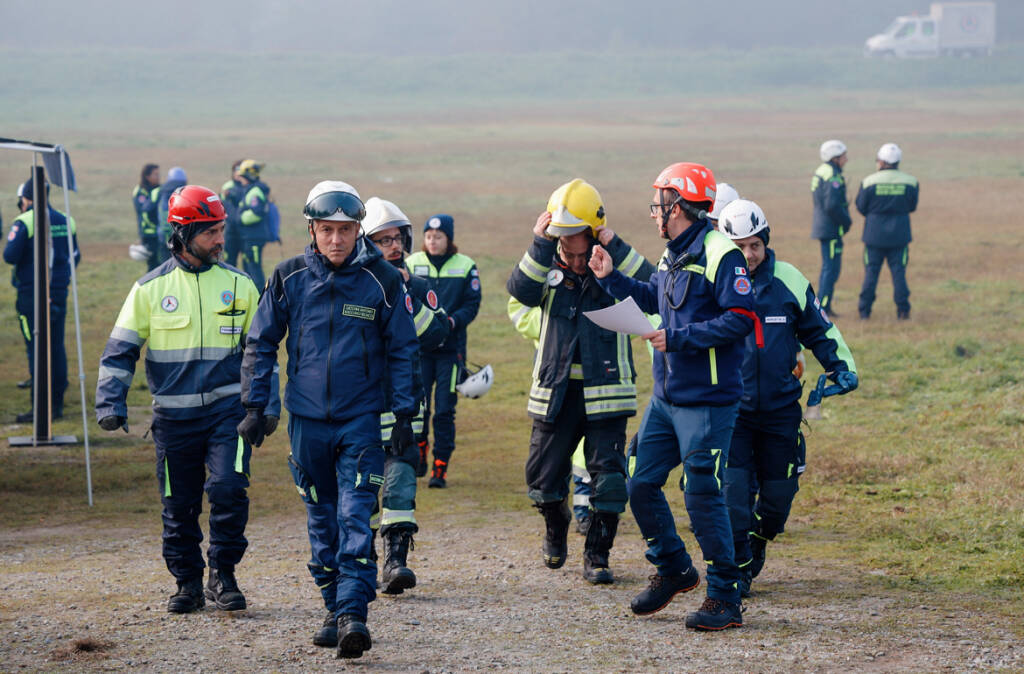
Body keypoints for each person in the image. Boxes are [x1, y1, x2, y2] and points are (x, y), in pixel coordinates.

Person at [240, 180, 420, 659]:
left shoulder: (383, 280)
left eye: (345, 230)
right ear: (312, 230)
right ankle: (332, 608)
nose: (336, 240)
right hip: (305, 424)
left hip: (360, 422)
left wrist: (405, 413)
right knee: (322, 523)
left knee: (354, 516)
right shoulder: (288, 277)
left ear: (358, 229)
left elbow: (403, 349)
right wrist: (256, 406)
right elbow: (260, 342)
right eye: (326, 230)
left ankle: (352, 616)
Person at [589, 162, 758, 631]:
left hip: (708, 400)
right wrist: (610, 278)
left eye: (660, 203)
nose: (654, 212)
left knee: (703, 493)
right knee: (640, 482)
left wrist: (680, 338)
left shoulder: (723, 254)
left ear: (679, 206)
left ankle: (725, 597)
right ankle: (675, 570)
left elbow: (741, 318)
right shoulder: (673, 252)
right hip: (667, 398)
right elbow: (655, 299)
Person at [95, 185, 275, 614]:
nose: (220, 240)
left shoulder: (240, 284)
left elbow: (262, 353)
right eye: (211, 232)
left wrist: (265, 405)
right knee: (179, 505)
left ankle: (223, 574)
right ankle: (187, 584)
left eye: (221, 230)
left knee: (229, 489)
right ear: (183, 233)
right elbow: (120, 350)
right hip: (173, 420)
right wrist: (109, 403)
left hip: (228, 415)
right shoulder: (148, 289)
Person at [507, 179, 654, 584]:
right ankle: (556, 526)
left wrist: (617, 247)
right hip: (556, 391)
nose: (568, 245)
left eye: (575, 235)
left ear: (593, 232)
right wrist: (538, 245)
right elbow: (519, 291)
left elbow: (656, 289)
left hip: (607, 391)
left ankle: (597, 556)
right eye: (561, 236)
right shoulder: (545, 267)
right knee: (542, 482)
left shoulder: (613, 265)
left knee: (608, 483)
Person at [715, 198, 858, 596]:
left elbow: (819, 330)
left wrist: (840, 366)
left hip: (781, 412)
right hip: (734, 412)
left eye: (754, 245)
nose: (748, 255)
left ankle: (760, 540)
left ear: (765, 242)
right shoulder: (715, 285)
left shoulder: (790, 280)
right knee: (735, 497)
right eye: (739, 248)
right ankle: (739, 569)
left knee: (777, 502)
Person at [361, 196, 450, 601]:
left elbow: (435, 335)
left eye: (397, 238)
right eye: (383, 241)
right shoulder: (353, 288)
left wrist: (405, 296)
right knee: (360, 490)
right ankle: (358, 566)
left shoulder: (416, 287)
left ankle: (395, 561)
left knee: (398, 484)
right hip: (359, 407)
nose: (394, 247)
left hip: (403, 406)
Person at [405, 213, 481, 488]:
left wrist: (451, 321)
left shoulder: (465, 266)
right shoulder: (411, 264)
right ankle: (420, 453)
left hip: (451, 352)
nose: (433, 241)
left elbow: (472, 304)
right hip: (421, 352)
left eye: (438, 237)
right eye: (428, 236)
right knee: (419, 408)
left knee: (445, 412)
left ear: (448, 239)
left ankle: (440, 467)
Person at [4, 175, 81, 422]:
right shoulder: (66, 221)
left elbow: (9, 256)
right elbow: (75, 256)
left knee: (35, 349)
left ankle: (39, 408)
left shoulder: (24, 221)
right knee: (56, 347)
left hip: (32, 295)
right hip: (59, 291)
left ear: (26, 198)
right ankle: (56, 405)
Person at [856, 142, 919, 320]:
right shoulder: (911, 182)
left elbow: (861, 207)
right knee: (899, 273)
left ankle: (864, 311)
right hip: (900, 237)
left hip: (873, 237)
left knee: (871, 273)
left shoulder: (868, 182)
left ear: (882, 162)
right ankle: (903, 311)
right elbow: (912, 206)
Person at [811, 140, 852, 317]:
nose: (846, 160)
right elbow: (832, 205)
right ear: (834, 157)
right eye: (843, 156)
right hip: (830, 229)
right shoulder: (832, 175)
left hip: (824, 227)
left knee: (829, 268)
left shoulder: (822, 171)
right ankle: (824, 308)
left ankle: (823, 305)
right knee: (831, 269)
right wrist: (846, 221)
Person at [235, 159, 271, 291]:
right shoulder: (251, 190)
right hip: (250, 237)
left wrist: (240, 218)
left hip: (254, 238)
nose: (240, 178)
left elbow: (258, 212)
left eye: (242, 176)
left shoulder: (255, 192)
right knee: (250, 267)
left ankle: (261, 298)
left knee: (255, 268)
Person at [156, 167, 188, 265]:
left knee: (164, 267)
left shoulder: (160, 193)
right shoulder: (184, 194)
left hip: (162, 236)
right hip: (180, 238)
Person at [132, 163, 161, 270]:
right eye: (155, 174)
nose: (158, 177)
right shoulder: (140, 192)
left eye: (159, 174)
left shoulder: (158, 189)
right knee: (153, 264)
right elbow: (145, 210)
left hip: (159, 233)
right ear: (147, 176)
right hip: (149, 234)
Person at [220, 160, 246, 267]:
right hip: (231, 230)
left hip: (245, 231)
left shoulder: (248, 186)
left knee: (248, 264)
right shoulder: (228, 186)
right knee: (230, 262)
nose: (239, 173)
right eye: (237, 170)